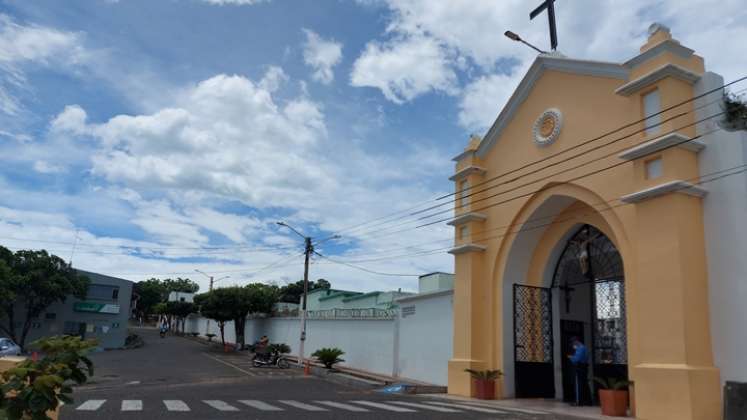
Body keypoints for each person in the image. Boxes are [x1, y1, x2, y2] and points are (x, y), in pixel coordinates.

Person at [567, 336, 592, 406]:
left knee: (578, 385)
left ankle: (578, 401)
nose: (573, 346)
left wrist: (570, 357)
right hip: (584, 367)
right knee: (585, 384)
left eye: (573, 344)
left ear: (576, 342)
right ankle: (588, 401)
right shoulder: (584, 348)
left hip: (579, 368)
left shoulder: (580, 348)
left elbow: (576, 359)